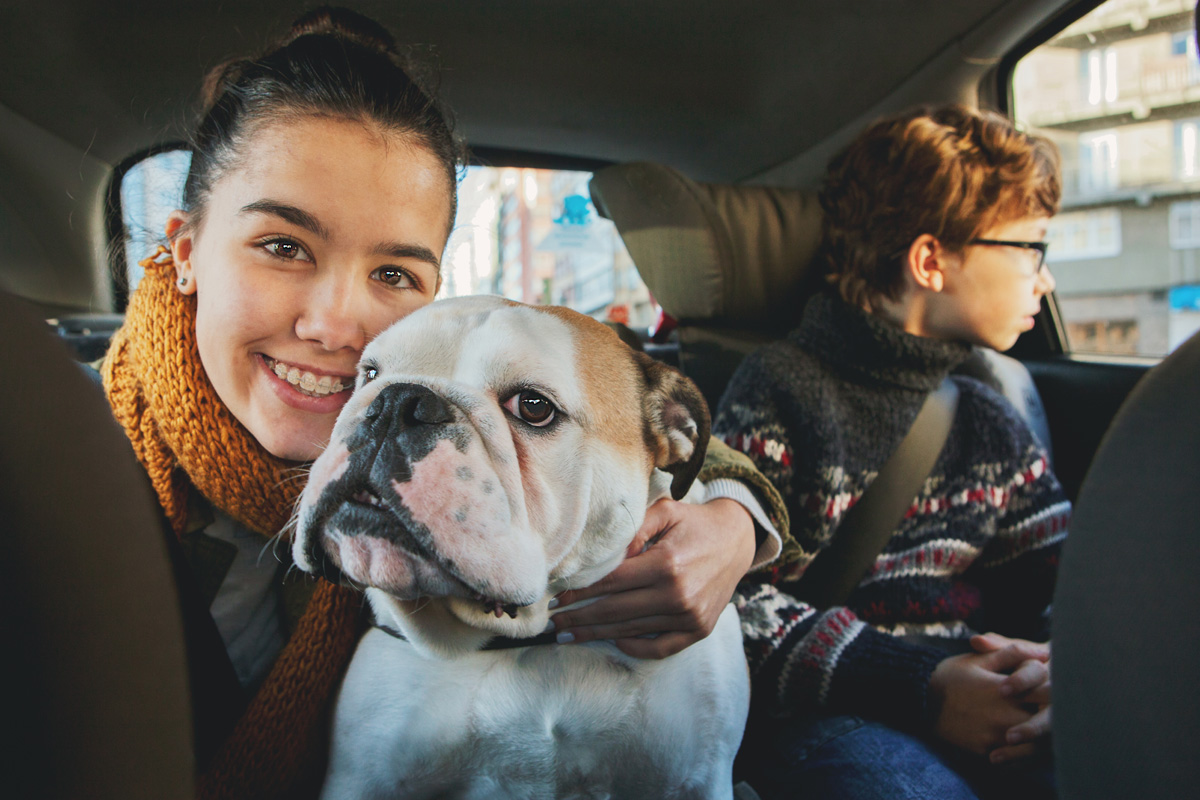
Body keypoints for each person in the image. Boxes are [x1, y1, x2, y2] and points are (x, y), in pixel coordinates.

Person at [100, 7, 792, 798]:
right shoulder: (74, 466)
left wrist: (734, 518)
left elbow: (613, 417)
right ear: (185, 254)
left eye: (394, 274)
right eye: (283, 247)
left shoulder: (424, 405)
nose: (336, 326)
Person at [715, 104, 1070, 799]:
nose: (1044, 278)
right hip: (831, 708)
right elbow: (728, 598)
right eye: (1031, 249)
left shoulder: (990, 416)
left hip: (988, 703)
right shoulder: (783, 388)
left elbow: (1066, 584)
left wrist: (1057, 667)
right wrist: (923, 683)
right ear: (931, 261)